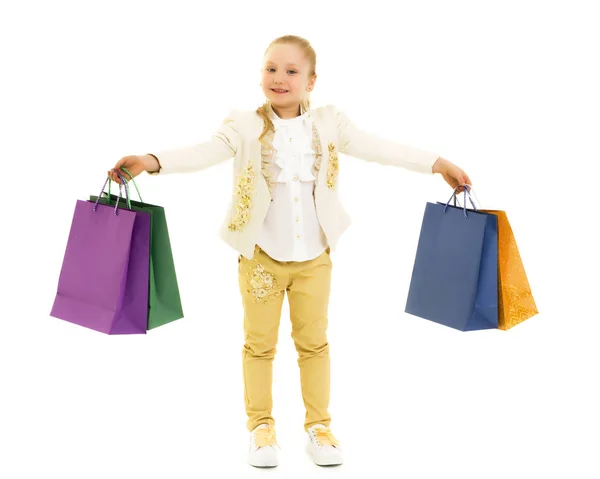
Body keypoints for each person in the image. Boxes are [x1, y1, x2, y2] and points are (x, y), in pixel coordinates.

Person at [109, 34, 472, 468]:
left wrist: (437, 163)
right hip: (260, 257)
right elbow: (204, 152)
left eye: (291, 71)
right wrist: (151, 160)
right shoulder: (243, 125)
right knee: (259, 345)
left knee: (314, 343)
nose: (278, 78)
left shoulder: (330, 123)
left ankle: (319, 426)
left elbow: (380, 148)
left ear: (312, 81)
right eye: (270, 68)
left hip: (315, 259)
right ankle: (261, 427)